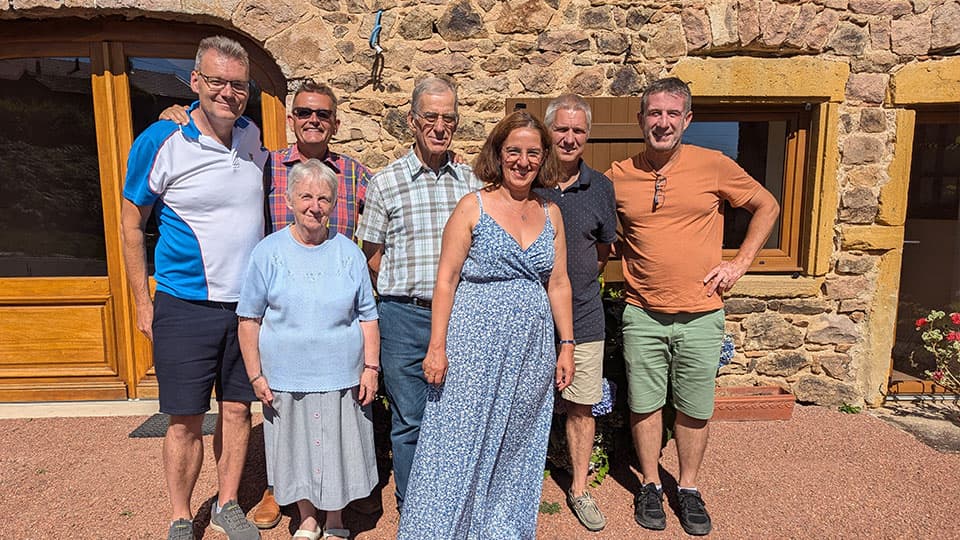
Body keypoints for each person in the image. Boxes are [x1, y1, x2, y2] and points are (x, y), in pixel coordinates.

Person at [160, 79, 373, 526]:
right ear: (291, 119)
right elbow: (217, 148)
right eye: (304, 112)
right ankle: (280, 490)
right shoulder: (266, 164)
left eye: (323, 114)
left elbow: (379, 226)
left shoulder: (355, 174)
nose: (313, 120)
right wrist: (176, 118)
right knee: (279, 410)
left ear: (336, 123)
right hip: (275, 299)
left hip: (334, 299)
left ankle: (341, 489)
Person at [607, 77, 780, 536]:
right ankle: (649, 484)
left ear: (687, 120)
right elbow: (580, 208)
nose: (662, 122)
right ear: (640, 119)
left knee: (694, 407)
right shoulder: (618, 175)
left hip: (702, 313)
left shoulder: (714, 165)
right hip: (642, 311)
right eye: (654, 113)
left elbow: (767, 205)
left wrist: (739, 263)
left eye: (671, 114)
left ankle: (687, 487)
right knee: (644, 405)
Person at [396, 111, 576, 538]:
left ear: (544, 158)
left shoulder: (551, 212)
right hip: (472, 346)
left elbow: (559, 282)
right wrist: (437, 347)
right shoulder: (472, 206)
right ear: (498, 153)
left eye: (533, 153)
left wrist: (566, 344)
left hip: (532, 349)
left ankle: (499, 530)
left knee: (517, 443)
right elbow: (446, 280)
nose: (522, 161)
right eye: (513, 151)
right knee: (455, 443)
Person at [120, 36, 267, 540]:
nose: (228, 93)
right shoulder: (161, 140)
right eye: (217, 81)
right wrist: (142, 303)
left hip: (246, 308)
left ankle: (227, 505)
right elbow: (131, 224)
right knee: (184, 419)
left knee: (237, 411)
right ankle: (181, 516)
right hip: (184, 304)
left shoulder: (252, 136)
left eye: (239, 84)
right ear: (195, 81)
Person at [356, 76, 483, 511]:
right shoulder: (385, 182)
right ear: (412, 121)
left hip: (461, 314)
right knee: (410, 418)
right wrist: (409, 292)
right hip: (403, 317)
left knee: (458, 417)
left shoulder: (471, 182)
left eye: (449, 118)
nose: (440, 126)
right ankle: (415, 508)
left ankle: (452, 503)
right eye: (430, 116)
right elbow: (373, 254)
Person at [236, 159, 380, 540]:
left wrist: (371, 368)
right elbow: (248, 318)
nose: (315, 206)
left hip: (341, 374)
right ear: (289, 200)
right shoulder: (267, 252)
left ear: (334, 204)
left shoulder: (348, 253)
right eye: (306, 197)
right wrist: (255, 374)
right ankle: (307, 518)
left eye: (324, 198)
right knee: (295, 450)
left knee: (336, 448)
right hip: (286, 375)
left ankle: (334, 518)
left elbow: (368, 316)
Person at [534, 94, 617, 532]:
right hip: (530, 320)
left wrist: (574, 284)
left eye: (578, 130)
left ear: (587, 135)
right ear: (548, 132)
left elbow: (601, 253)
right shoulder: (528, 179)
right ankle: (519, 484)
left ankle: (580, 488)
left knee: (581, 407)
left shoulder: (600, 187)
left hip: (584, 317)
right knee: (521, 405)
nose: (569, 138)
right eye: (561, 129)